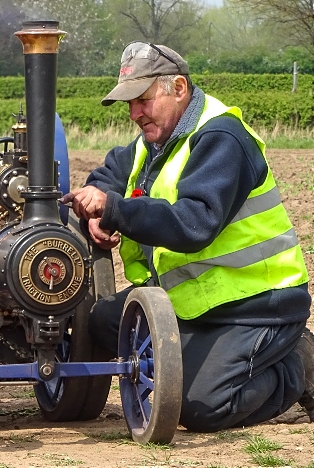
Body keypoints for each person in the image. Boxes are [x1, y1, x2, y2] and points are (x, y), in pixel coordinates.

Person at [60, 41, 314, 431]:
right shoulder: (158, 138)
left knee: (200, 406)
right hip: (190, 299)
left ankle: (299, 362)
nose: (134, 114)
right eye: (129, 104)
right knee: (103, 323)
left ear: (178, 88)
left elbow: (195, 223)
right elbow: (113, 170)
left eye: (141, 100)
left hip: (255, 305)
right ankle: (207, 360)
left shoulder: (221, 138)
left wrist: (113, 209)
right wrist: (97, 211)